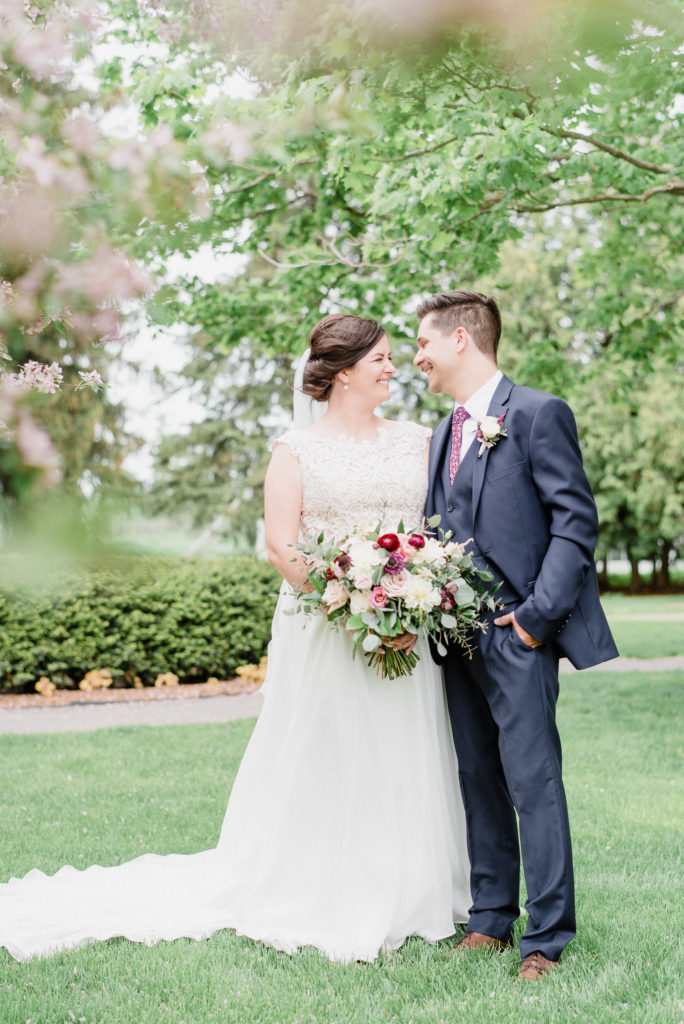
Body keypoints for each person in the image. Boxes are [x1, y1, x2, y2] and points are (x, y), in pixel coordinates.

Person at [0, 313, 470, 964]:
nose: (394, 368)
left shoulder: (419, 441)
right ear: (341, 374)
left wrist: (404, 605)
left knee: (404, 745)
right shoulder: (295, 451)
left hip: (404, 628)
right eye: (382, 359)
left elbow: (433, 527)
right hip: (327, 624)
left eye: (393, 357)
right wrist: (357, 606)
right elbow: (282, 545)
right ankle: (322, 883)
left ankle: (414, 885)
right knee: (329, 747)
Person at [414, 290, 618, 981]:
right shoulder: (443, 431)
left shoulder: (536, 413)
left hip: (516, 631)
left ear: (462, 340)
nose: (418, 357)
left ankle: (548, 936)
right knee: (478, 778)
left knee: (533, 782)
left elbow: (574, 524)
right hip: (456, 637)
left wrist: (535, 618)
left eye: (424, 344)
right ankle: (492, 919)